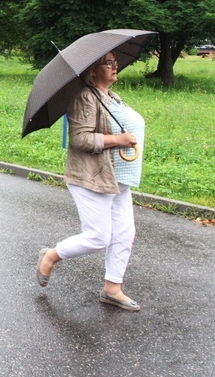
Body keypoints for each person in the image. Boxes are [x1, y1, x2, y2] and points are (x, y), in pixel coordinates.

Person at [35, 51, 145, 311]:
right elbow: (80, 139)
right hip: (92, 178)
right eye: (108, 63)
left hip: (117, 180)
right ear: (93, 71)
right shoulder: (85, 97)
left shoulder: (112, 98)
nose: (115, 66)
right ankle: (50, 255)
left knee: (125, 234)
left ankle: (112, 288)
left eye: (115, 61)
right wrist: (118, 140)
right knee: (98, 237)